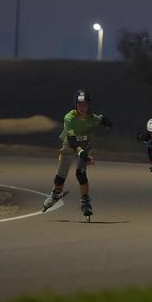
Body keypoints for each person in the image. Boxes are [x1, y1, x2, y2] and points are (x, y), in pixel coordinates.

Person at [42, 90, 112, 218]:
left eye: (85, 104)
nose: (82, 107)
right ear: (75, 104)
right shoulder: (69, 118)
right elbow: (72, 141)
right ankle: (55, 194)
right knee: (60, 176)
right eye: (80, 104)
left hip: (84, 145)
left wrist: (105, 121)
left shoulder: (92, 118)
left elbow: (99, 119)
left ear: (88, 105)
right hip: (69, 145)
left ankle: (85, 201)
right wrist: (81, 153)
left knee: (81, 174)